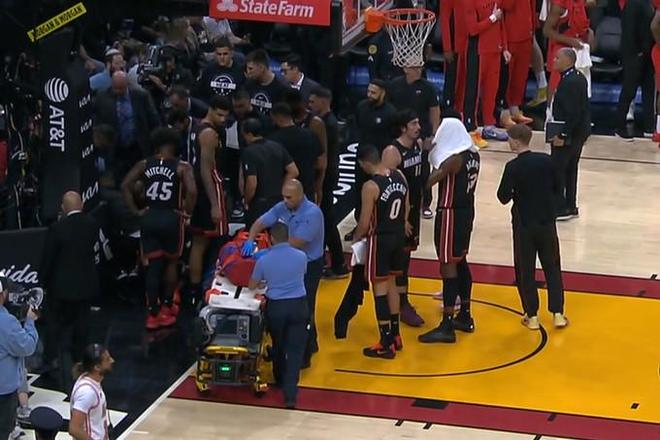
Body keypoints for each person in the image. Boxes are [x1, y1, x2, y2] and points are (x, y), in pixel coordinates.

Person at [122, 128, 197, 329]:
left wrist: (136, 211)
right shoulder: (182, 166)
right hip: (172, 218)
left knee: (153, 266)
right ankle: (167, 305)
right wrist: (187, 213)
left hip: (150, 216)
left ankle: (152, 314)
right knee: (172, 262)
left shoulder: (144, 164)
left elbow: (125, 185)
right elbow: (192, 191)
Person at [243, 180, 324, 367]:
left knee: (306, 307)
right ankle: (301, 344)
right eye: (284, 197)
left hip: (308, 264)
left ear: (300, 195)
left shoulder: (312, 214)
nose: (285, 201)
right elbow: (261, 221)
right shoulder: (283, 207)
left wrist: (269, 252)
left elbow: (297, 242)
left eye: (289, 197)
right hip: (289, 259)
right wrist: (250, 238)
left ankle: (305, 352)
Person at [497, 124, 569, 329]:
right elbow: (559, 187)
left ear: (515, 141)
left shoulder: (512, 167)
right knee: (552, 267)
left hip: (524, 225)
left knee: (525, 270)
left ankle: (532, 316)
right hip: (547, 223)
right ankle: (558, 314)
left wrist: (516, 192)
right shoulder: (547, 161)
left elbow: (502, 197)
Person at [419, 115, 480, 344]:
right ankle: (465, 315)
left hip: (450, 213)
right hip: (467, 212)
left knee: (447, 265)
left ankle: (446, 324)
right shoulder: (473, 154)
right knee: (461, 261)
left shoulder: (454, 159)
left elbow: (429, 181)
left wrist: (425, 156)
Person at [353, 144, 409, 359]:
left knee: (380, 290)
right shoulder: (399, 176)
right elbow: (406, 207)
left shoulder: (370, 186)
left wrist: (357, 238)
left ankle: (385, 342)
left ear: (364, 163)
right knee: (393, 284)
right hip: (398, 237)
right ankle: (396, 334)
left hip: (381, 239)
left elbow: (364, 222)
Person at [40, 192, 100, 385]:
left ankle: (50, 360)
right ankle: (80, 359)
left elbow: (49, 258)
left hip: (61, 288)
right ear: (81, 205)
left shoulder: (57, 228)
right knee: (82, 324)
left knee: (54, 325)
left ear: (63, 208)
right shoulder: (92, 224)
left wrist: (42, 282)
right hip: (85, 285)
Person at [248, 223, 308, 409]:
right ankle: (290, 395)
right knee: (295, 351)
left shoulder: (263, 260)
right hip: (298, 305)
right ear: (288, 236)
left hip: (276, 308)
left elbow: (252, 286)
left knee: (279, 345)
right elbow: (301, 275)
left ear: (270, 238)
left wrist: (265, 282)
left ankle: (279, 379)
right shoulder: (301, 256)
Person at [381, 110, 425, 327]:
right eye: (413, 123)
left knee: (406, 259)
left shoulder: (417, 145)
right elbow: (389, 188)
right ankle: (400, 304)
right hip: (398, 214)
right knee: (399, 262)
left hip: (413, 211)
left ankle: (399, 301)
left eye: (418, 122)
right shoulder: (392, 151)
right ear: (403, 128)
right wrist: (402, 219)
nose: (418, 127)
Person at [188, 96, 231, 305]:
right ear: (210, 110)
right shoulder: (209, 134)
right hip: (209, 189)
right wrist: (215, 204)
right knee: (209, 241)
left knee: (199, 241)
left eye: (225, 116)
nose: (222, 120)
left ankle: (195, 289)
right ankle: (204, 287)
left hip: (199, 187)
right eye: (219, 115)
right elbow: (206, 170)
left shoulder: (196, 127)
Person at [387, 66, 441, 218]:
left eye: (420, 67)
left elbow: (435, 111)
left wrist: (433, 134)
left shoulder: (428, 87)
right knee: (400, 169)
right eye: (415, 68)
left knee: (423, 169)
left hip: (421, 135)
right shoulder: (395, 85)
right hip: (400, 134)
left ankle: (425, 203)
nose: (419, 70)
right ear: (406, 69)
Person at [308, 87, 349, 279]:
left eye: (313, 102)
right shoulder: (325, 121)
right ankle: (327, 260)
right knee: (324, 218)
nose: (310, 105)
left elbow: (323, 155)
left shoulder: (327, 124)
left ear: (324, 101)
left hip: (327, 175)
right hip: (329, 173)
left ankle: (338, 263)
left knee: (327, 219)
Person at [351, 79, 397, 239]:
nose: (369, 95)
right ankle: (360, 224)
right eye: (368, 91)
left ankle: (378, 225)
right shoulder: (361, 107)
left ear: (383, 93)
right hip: (362, 157)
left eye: (373, 92)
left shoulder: (391, 112)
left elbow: (393, 136)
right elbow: (357, 127)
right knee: (359, 192)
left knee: (378, 193)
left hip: (379, 160)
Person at [94, 71, 161, 180]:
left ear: (127, 85)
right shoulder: (102, 97)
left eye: (120, 88)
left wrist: (156, 143)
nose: (117, 91)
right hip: (115, 149)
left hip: (138, 147)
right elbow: (97, 121)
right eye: (115, 88)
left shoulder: (141, 96)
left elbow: (153, 119)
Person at [549, 48, 591, 221]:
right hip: (579, 132)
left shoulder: (570, 82)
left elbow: (573, 113)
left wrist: (563, 135)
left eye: (557, 58)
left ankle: (561, 208)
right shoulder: (577, 77)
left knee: (558, 169)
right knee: (571, 169)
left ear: (568, 60)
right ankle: (570, 205)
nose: (554, 60)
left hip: (570, 134)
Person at [463, 0, 511, 143]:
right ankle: (471, 128)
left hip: (495, 50)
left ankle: (489, 126)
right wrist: (493, 18)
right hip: (479, 51)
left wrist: (505, 47)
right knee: (473, 91)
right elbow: (473, 29)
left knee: (491, 91)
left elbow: (501, 23)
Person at [241, 118, 299, 226]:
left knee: (257, 235)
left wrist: (246, 201)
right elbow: (294, 171)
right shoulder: (277, 146)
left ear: (248, 134)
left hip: (259, 205)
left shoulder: (249, 152)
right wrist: (282, 189)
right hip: (279, 201)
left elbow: (252, 183)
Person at [0, 276, 38, 440]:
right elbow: (27, 346)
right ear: (3, 294)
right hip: (3, 392)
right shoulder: (6, 322)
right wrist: (30, 321)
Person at [614, 0, 655, 140]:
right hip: (634, 54)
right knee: (629, 90)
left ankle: (649, 127)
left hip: (647, 53)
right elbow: (629, 30)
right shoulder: (632, 4)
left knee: (649, 90)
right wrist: (638, 52)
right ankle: (619, 127)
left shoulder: (648, 3)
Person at [269, 103, 324, 202]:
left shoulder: (273, 140)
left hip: (285, 195)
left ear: (277, 117)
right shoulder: (310, 135)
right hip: (307, 191)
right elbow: (320, 164)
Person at [543, 0, 593, 100]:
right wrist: (570, 41)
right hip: (562, 48)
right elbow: (546, 31)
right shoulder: (559, 6)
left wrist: (589, 32)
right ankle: (550, 108)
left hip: (579, 49)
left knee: (580, 87)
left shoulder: (583, 3)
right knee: (556, 83)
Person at [501, 0, 536, 126]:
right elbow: (506, 6)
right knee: (506, 78)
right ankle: (504, 112)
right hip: (509, 34)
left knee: (520, 76)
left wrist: (532, 28)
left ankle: (515, 109)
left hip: (526, 34)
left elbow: (532, 6)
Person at [69, 344, 114, 440]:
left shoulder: (93, 380)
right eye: (107, 359)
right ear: (97, 367)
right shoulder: (87, 392)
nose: (112, 361)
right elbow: (74, 429)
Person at [439, 0, 468, 111]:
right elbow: (444, 19)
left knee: (466, 81)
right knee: (452, 80)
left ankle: (462, 109)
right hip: (454, 45)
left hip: (470, 44)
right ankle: (449, 109)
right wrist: (447, 48)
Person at [244, 49, 289, 115]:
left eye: (250, 68)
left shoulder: (282, 88)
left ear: (262, 68)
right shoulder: (248, 84)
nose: (248, 72)